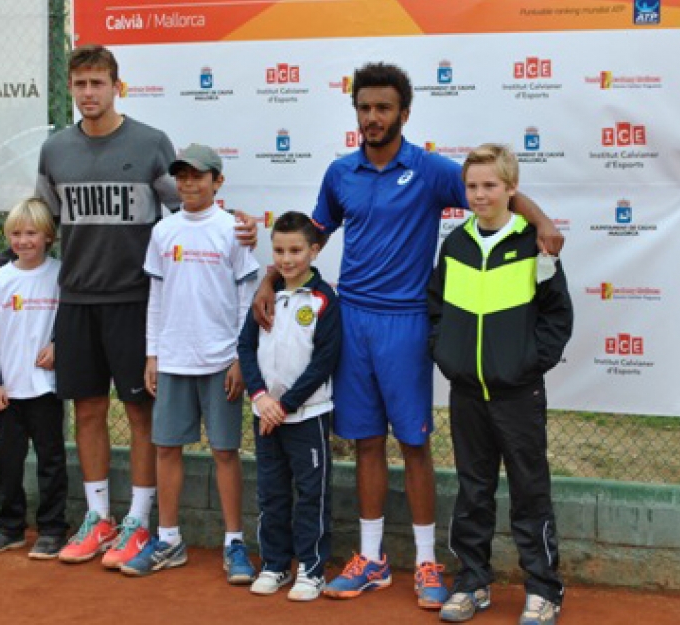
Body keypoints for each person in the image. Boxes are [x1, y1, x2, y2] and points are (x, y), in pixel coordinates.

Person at [252, 62, 564, 610]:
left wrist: (542, 222)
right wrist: (269, 277)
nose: (373, 117)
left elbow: (496, 193)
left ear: (404, 113)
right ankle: (371, 559)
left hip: (407, 323)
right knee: (367, 441)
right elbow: (312, 237)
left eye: (383, 108)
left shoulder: (428, 169)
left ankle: (426, 562)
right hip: (354, 322)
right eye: (364, 108)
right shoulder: (340, 173)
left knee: (414, 443)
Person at [0, 45, 257, 569]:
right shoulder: (55, 150)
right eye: (79, 84)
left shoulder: (151, 145)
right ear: (72, 89)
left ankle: (140, 521)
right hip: (77, 300)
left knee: (140, 414)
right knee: (86, 410)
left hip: (134, 300)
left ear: (116, 86)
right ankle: (99, 517)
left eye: (97, 83)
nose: (88, 93)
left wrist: (242, 227)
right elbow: (43, 221)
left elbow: (189, 212)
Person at [428, 144, 573, 625]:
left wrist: (529, 364)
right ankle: (472, 582)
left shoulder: (535, 243)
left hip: (517, 392)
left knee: (531, 491)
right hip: (467, 392)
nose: (480, 194)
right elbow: (436, 308)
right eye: (472, 186)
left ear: (512, 188)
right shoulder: (457, 244)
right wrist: (446, 355)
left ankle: (543, 588)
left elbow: (557, 314)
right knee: (473, 492)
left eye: (490, 185)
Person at [120, 143, 259, 582]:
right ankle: (169, 538)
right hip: (174, 358)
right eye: (182, 176)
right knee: (166, 448)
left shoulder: (233, 230)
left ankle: (234, 543)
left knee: (224, 451)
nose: (189, 184)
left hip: (221, 360)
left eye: (198, 176)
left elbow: (245, 297)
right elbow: (156, 297)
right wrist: (152, 353)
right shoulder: (164, 231)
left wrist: (240, 356)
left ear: (218, 182)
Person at [237, 212, 341, 602]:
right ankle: (276, 564)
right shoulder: (265, 297)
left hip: (307, 416)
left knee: (311, 494)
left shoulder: (324, 299)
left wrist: (286, 404)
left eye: (296, 250)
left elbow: (324, 361)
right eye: (279, 250)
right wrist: (261, 398)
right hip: (265, 415)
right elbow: (246, 348)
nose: (287, 258)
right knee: (272, 493)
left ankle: (312, 570)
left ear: (314, 250)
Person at [0, 198, 68, 560]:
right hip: (9, 391)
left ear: (48, 236)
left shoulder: (60, 275)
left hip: (46, 388)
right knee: (8, 462)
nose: (23, 240)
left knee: (51, 461)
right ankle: (9, 528)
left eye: (31, 233)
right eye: (16, 233)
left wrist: (59, 346)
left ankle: (52, 529)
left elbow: (71, 323)